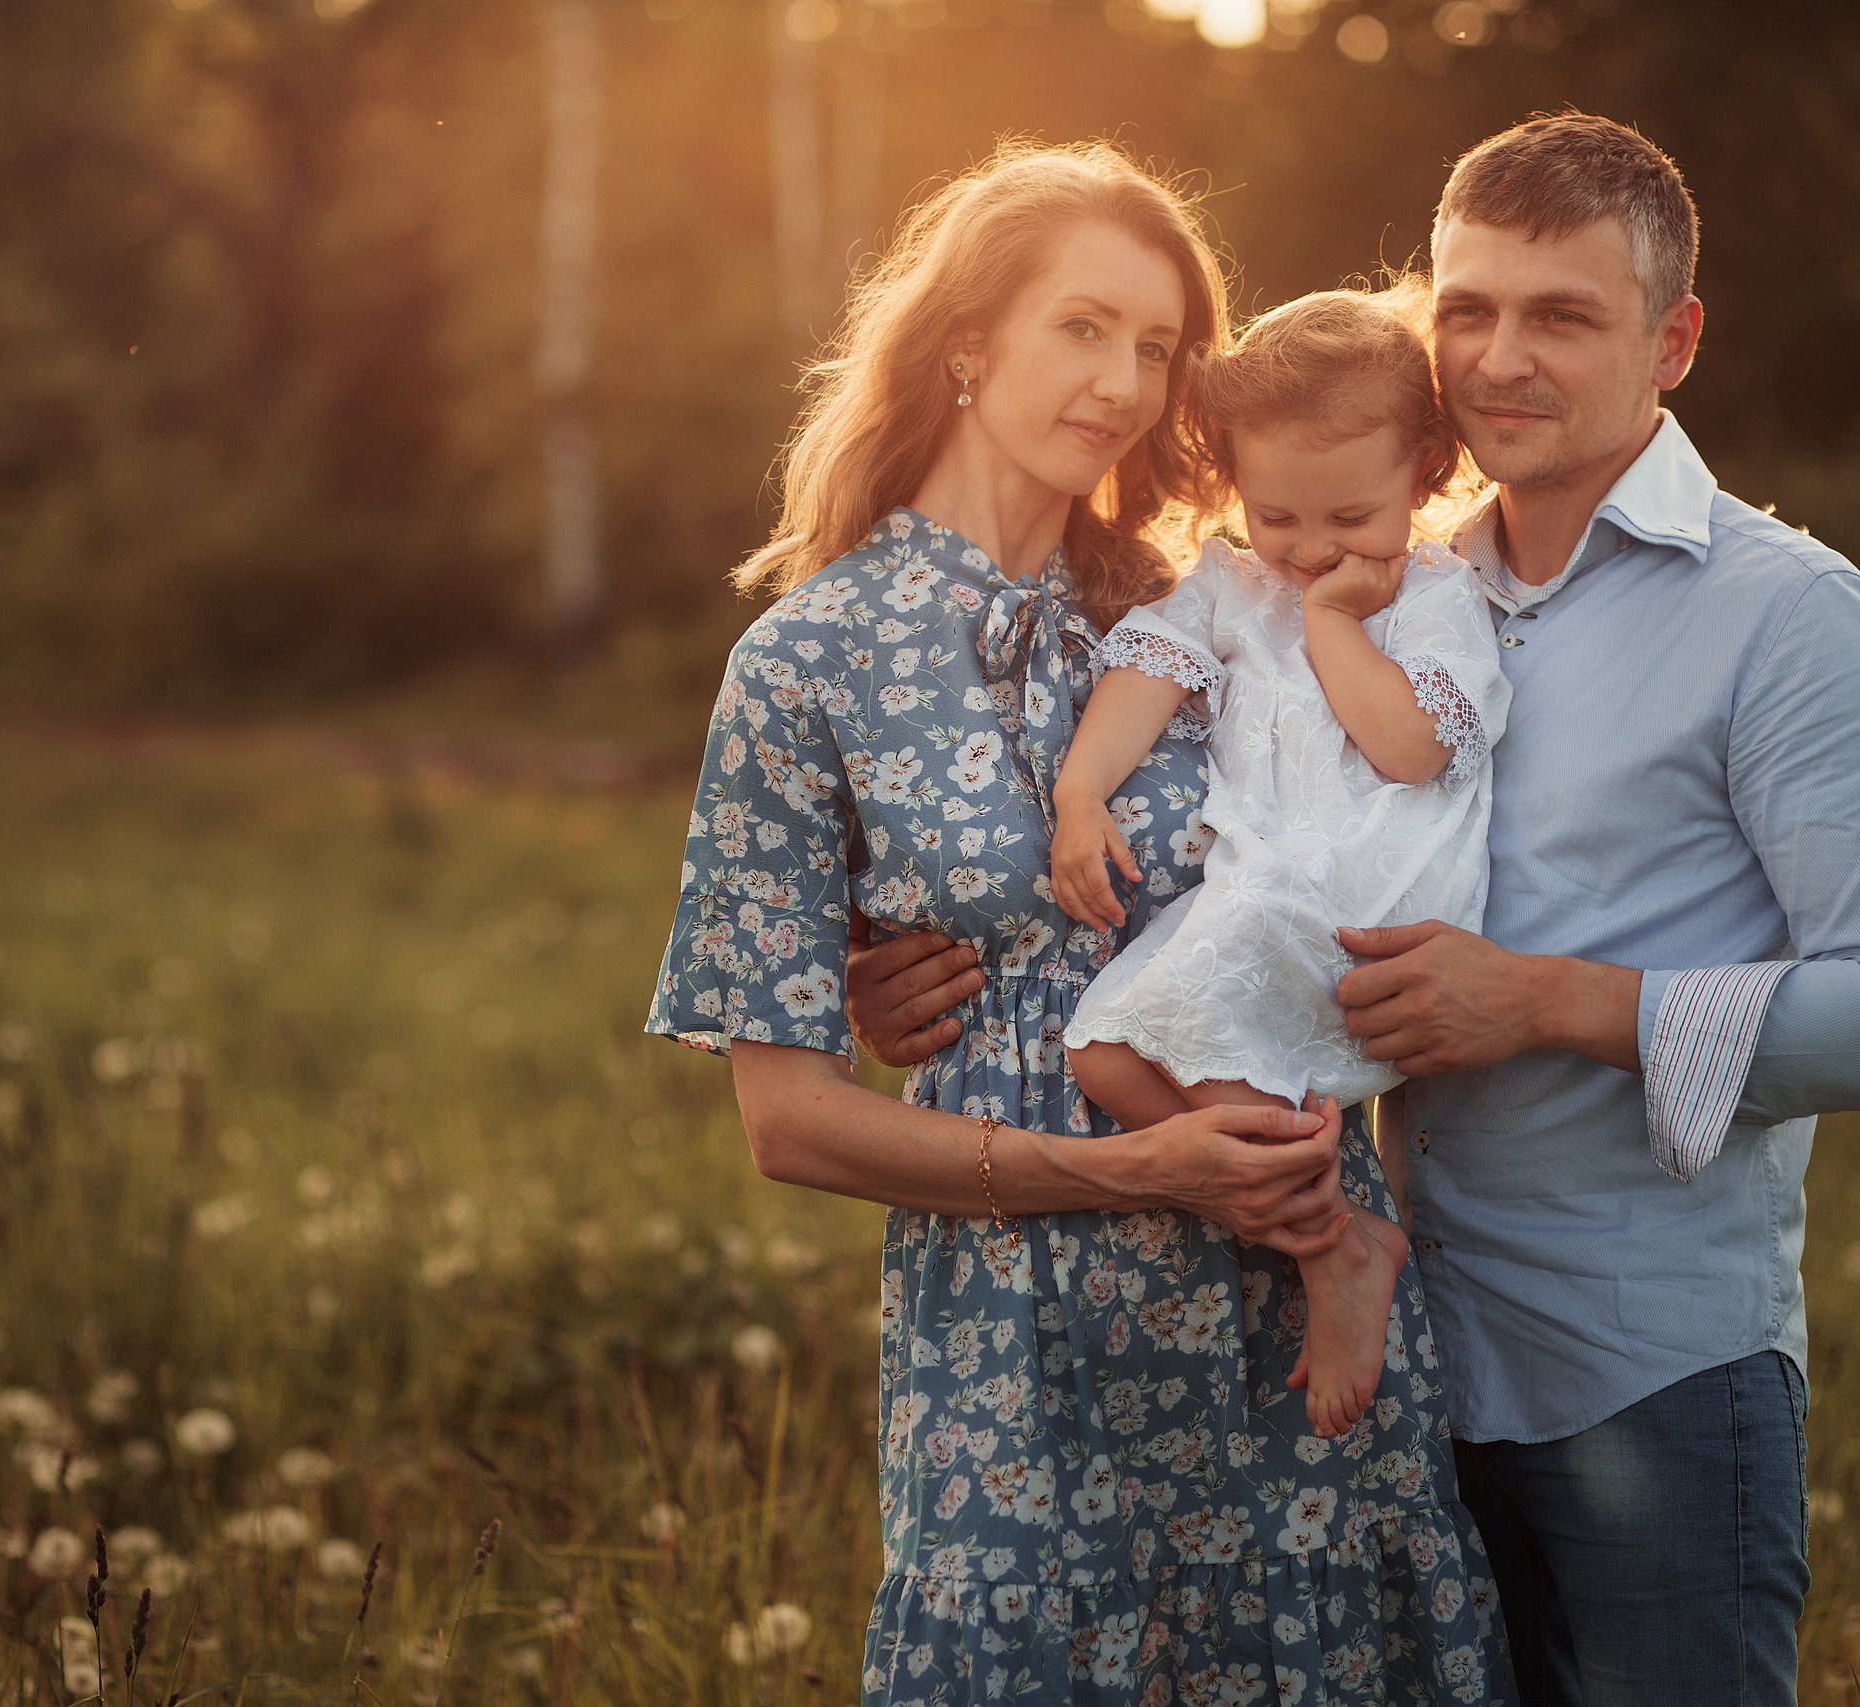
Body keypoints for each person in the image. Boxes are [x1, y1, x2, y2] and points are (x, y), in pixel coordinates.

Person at [850, 116, 1860, 1706]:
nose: (1500, 357)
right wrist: (897, 970)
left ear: (1677, 339)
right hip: (1393, 1395)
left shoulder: (1784, 616)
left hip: (1642, 1378)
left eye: (1564, 316)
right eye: (1468, 309)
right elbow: (1227, 825)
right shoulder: (1386, 557)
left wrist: (1548, 1000)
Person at [647, 141, 1516, 1706]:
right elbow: (785, 1121)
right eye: (1084, 327)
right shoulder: (806, 662)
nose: (1125, 380)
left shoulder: (1224, 591)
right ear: (969, 339)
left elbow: (1396, 810)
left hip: (1289, 1298)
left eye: (1160, 345)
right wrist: (1123, 1167)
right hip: (1016, 1348)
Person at [1048, 285, 1509, 1442]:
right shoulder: (1228, 585)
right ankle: (1333, 1237)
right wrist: (1079, 788)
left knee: (1159, 1007)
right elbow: (1147, 671)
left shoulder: (1441, 601)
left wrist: (1334, 628)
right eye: (1277, 519)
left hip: (1376, 908)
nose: (1309, 553)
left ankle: (1333, 1252)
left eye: (1348, 517)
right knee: (1104, 1055)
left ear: (1425, 472)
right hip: (1262, 898)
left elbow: (1407, 749)